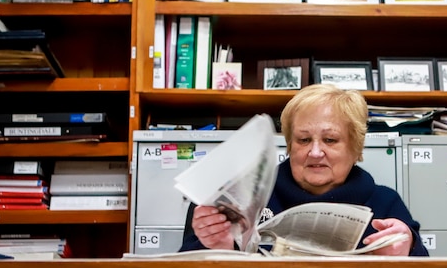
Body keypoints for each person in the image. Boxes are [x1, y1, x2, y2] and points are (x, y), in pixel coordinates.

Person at [180, 84, 428, 256]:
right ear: (289, 144)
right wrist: (219, 248)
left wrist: (407, 247)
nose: (316, 152)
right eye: (303, 140)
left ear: (355, 148)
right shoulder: (241, 198)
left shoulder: (385, 202)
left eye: (330, 140)